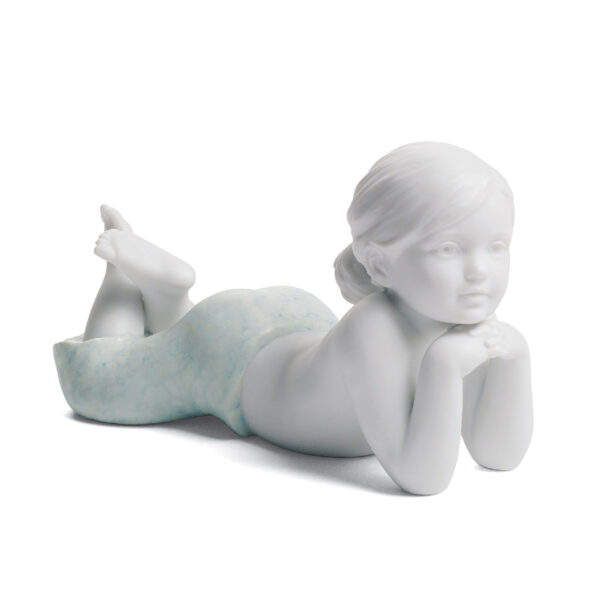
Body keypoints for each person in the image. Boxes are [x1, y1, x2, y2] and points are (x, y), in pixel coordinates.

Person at [54, 142, 533, 495]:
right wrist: (445, 365)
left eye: (497, 246)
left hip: (295, 323)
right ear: (380, 263)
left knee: (182, 336)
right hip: (232, 359)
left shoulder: (462, 312)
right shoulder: (375, 328)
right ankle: (124, 276)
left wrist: (515, 359)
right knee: (98, 381)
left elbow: (498, 455)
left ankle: (170, 297)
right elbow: (423, 477)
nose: (479, 271)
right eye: (448, 249)